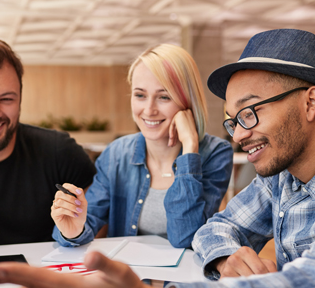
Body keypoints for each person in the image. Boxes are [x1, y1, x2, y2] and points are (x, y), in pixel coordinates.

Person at [0, 28, 315, 288]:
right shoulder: (279, 180)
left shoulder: (212, 153)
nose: (238, 136)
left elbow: (190, 236)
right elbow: (216, 229)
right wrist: (225, 258)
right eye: (233, 120)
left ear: (311, 102)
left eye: (250, 112)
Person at [51, 44, 233, 249]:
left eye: (164, 97)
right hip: (127, 277)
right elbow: (88, 219)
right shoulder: (116, 154)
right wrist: (73, 229)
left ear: (187, 100)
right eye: (140, 95)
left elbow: (186, 238)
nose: (149, 110)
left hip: (182, 279)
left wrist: (190, 148)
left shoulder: (215, 153)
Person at [0, 37, 96, 246]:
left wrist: (75, 234)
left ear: (20, 98)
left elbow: (98, 223)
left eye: (6, 99)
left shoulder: (59, 151)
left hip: (48, 276)